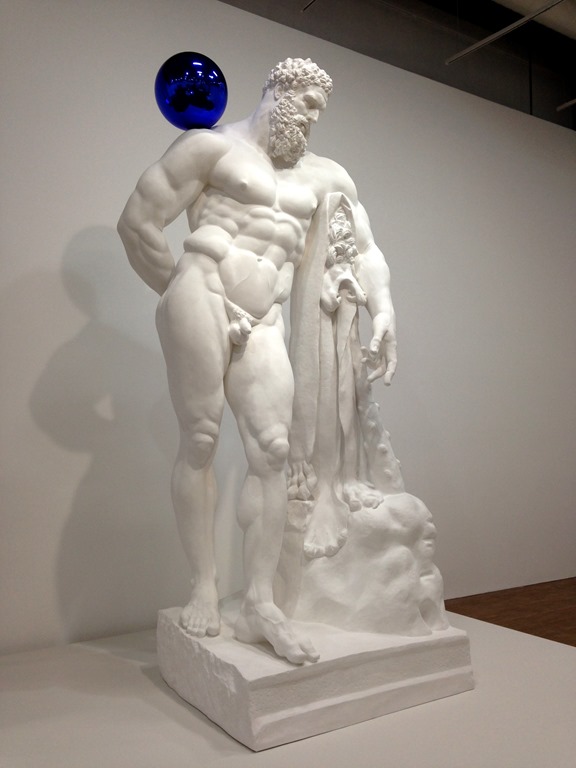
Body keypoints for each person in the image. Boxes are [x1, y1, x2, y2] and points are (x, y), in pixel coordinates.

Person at [117, 58, 397, 664]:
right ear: (275, 90)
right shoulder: (209, 148)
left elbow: (366, 250)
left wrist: (385, 310)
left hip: (265, 316)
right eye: (306, 101)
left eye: (321, 109)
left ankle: (260, 602)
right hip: (202, 289)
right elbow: (138, 224)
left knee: (272, 450)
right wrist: (180, 292)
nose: (313, 117)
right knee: (201, 438)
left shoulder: (326, 176)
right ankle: (204, 586)